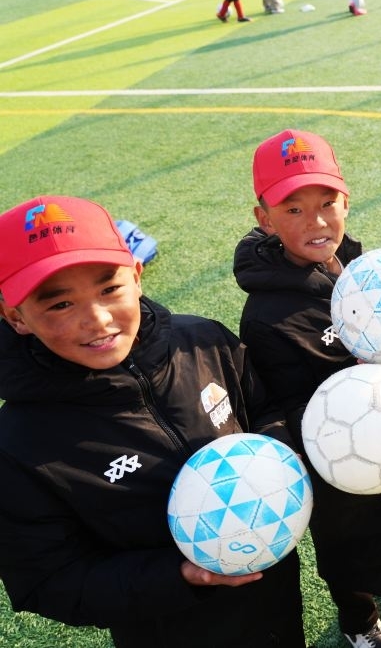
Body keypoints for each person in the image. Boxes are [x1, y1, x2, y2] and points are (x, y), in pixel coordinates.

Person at [0, 196, 303, 647]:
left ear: (137, 276)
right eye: (60, 304)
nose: (97, 320)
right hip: (170, 629)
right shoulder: (19, 445)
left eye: (109, 289)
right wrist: (179, 576)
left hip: (275, 594)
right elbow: (48, 580)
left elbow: (263, 407)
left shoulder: (203, 341)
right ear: (15, 317)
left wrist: (279, 462)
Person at [234, 129, 381, 648]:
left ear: (346, 200)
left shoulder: (356, 267)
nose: (317, 221)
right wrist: (361, 385)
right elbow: (281, 403)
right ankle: (358, 620)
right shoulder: (266, 315)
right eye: (294, 209)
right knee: (345, 544)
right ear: (264, 218)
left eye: (328, 203)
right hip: (330, 456)